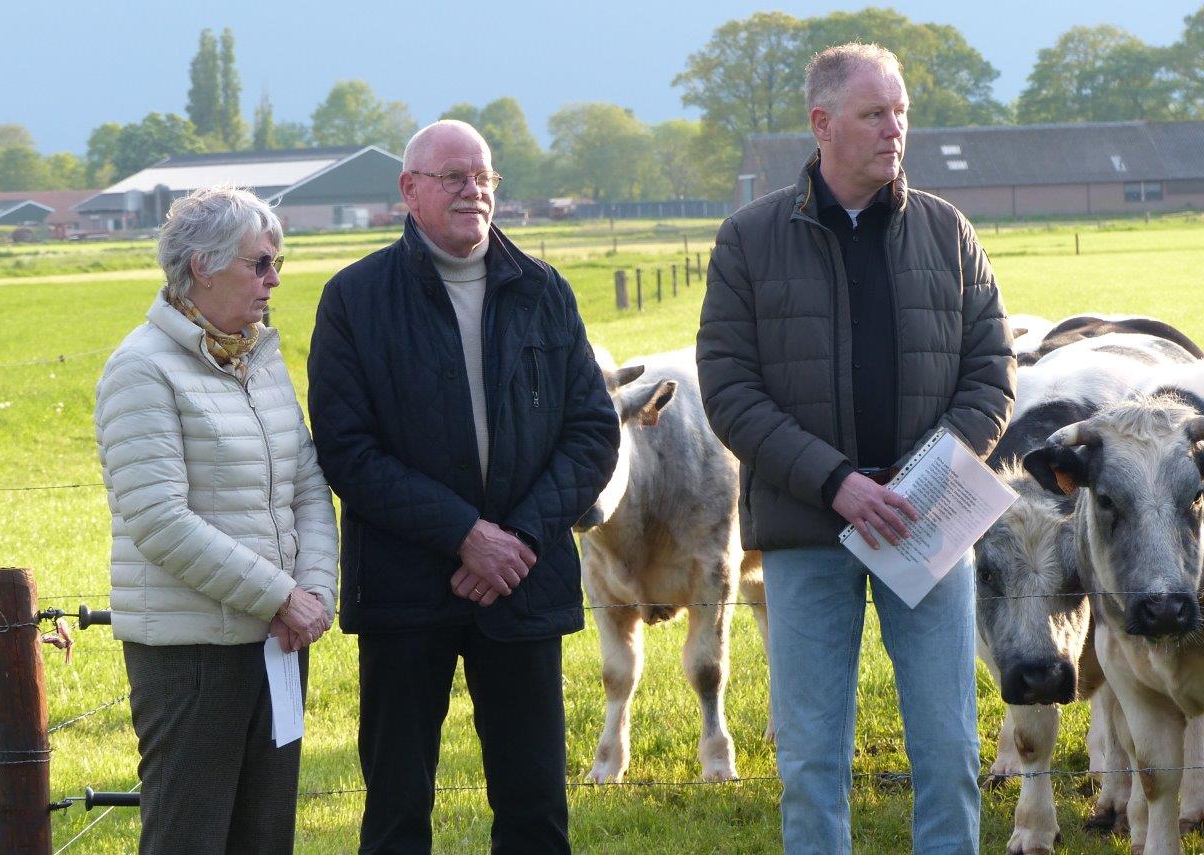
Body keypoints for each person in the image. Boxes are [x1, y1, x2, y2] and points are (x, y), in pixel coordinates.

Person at [696, 43, 1015, 853]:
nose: (895, 129)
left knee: (949, 752)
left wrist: (924, 481)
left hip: (928, 524)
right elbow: (729, 388)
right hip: (808, 531)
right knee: (810, 761)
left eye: (901, 111)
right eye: (875, 114)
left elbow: (992, 370)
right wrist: (836, 482)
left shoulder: (949, 233)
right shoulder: (748, 239)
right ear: (822, 123)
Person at [308, 119, 619, 854]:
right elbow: (348, 451)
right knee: (396, 808)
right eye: (453, 176)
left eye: (484, 176)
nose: (473, 189)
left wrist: (516, 540)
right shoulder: (355, 299)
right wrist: (463, 534)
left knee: (536, 805)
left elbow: (592, 433)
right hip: (406, 590)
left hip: (524, 582)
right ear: (408, 190)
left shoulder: (544, 291)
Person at [95, 185, 338, 854]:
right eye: (259, 263)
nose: (274, 278)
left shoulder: (261, 361)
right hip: (192, 657)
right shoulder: (140, 370)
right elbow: (158, 519)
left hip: (277, 643)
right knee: (191, 838)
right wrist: (281, 594)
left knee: (265, 837)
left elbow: (308, 482)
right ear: (201, 265)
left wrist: (315, 591)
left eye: (277, 262)